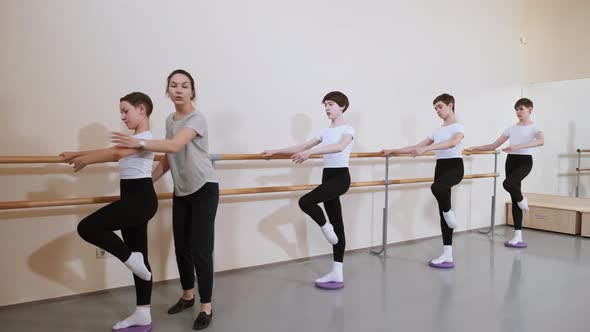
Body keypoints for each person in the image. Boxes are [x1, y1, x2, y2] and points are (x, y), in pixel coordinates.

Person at [112, 70, 218, 330]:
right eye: (174, 85)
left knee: (200, 249)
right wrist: (147, 183)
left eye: (185, 85)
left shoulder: (197, 118)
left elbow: (173, 146)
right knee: (181, 246)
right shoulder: (171, 120)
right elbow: (168, 159)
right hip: (182, 190)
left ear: (192, 91)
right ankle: (187, 295)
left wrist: (138, 144)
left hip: (204, 188)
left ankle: (206, 305)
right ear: (168, 91)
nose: (179, 89)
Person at [61, 92, 157, 331]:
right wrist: (76, 154)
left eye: (126, 110)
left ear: (141, 109)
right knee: (140, 262)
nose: (123, 116)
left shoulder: (145, 137)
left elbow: (115, 154)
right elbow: (112, 149)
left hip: (140, 201)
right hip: (133, 199)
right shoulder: (136, 138)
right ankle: (143, 312)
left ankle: (130, 258)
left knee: (88, 227)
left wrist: (86, 161)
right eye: (121, 112)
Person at [262, 91, 354, 289]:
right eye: (325, 105)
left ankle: (325, 227)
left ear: (342, 106)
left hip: (340, 178)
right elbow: (302, 146)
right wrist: (276, 151)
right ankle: (337, 273)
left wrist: (310, 152)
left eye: (330, 104)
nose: (327, 108)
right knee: (337, 223)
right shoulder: (324, 132)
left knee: (306, 202)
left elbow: (339, 147)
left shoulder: (348, 129)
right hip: (327, 176)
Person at [381, 93, 464, 269]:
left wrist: (427, 148)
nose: (437, 111)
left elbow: (452, 143)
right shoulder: (437, 131)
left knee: (437, 189)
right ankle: (447, 254)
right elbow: (417, 147)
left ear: (451, 105)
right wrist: (393, 150)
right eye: (435, 109)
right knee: (442, 212)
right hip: (440, 167)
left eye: (440, 107)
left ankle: (449, 213)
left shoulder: (458, 127)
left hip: (455, 167)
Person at [466, 97, 544, 248]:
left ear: (530, 109)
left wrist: (517, 146)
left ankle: (522, 200)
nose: (518, 112)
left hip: (525, 161)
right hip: (511, 161)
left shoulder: (535, 128)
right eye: (516, 109)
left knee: (509, 184)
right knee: (513, 197)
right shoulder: (511, 128)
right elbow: (494, 145)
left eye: (521, 109)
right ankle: (517, 235)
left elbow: (540, 141)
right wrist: (474, 148)